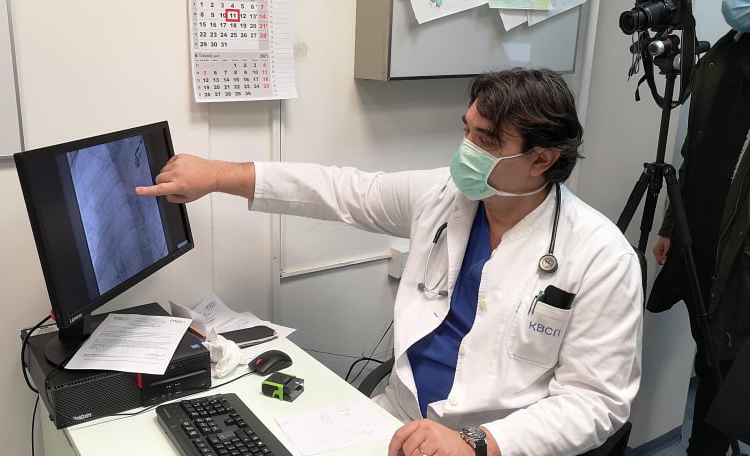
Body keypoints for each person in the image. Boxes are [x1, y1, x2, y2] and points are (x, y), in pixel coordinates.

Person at [137, 68, 644, 456]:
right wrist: (218, 175)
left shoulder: (600, 257)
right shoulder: (443, 197)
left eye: (486, 140)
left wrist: (479, 442)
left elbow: (596, 402)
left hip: (496, 446)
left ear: (542, 159)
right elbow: (343, 191)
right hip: (395, 423)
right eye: (467, 130)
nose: (466, 149)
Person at [648, 5, 750, 453]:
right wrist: (672, 225)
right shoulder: (722, 55)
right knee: (709, 359)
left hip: (741, 260)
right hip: (700, 242)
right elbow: (695, 151)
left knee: (727, 370)